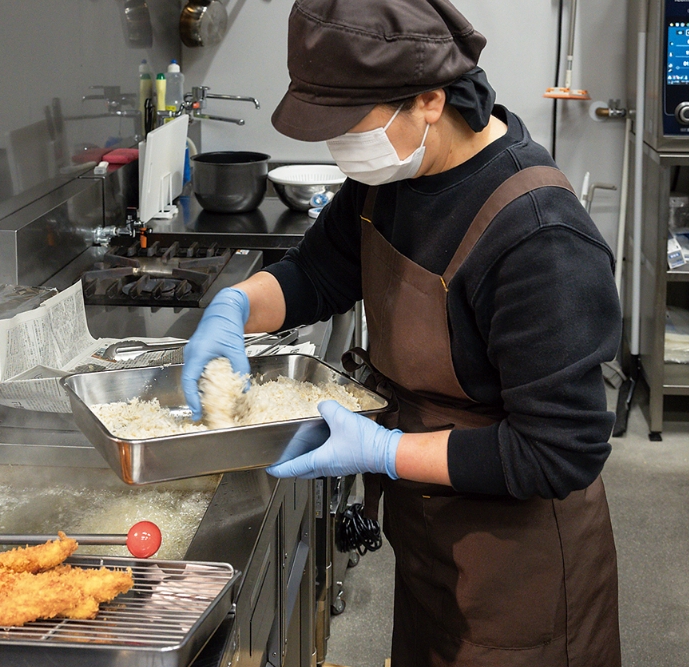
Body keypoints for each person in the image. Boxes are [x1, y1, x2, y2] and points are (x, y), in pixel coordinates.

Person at [179, 0, 622, 665]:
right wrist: (233, 308)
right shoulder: (392, 178)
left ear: (429, 100)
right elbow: (319, 274)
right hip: (432, 542)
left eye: (350, 125)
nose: (338, 148)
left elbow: (558, 451)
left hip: (520, 570)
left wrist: (384, 450)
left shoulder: (538, 234)